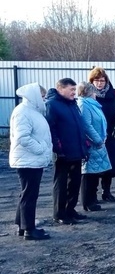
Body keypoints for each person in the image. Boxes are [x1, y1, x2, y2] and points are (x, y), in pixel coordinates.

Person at [10, 83, 53, 240]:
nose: (44, 99)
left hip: (31, 159)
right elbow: (23, 137)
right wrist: (41, 148)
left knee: (27, 193)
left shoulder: (31, 111)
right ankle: (29, 229)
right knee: (29, 194)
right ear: (35, 96)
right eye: (42, 96)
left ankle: (22, 225)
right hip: (28, 159)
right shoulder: (23, 112)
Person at [46, 77, 89, 225]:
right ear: (60, 89)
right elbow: (51, 129)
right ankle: (59, 213)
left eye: (74, 89)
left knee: (75, 182)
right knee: (61, 184)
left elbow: (79, 127)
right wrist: (58, 149)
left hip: (76, 151)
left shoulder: (72, 104)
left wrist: (84, 146)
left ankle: (70, 209)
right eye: (71, 89)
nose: (74, 92)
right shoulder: (52, 105)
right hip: (62, 153)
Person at [90, 67, 115, 202]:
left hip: (112, 133)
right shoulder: (90, 96)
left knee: (110, 164)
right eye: (97, 80)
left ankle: (107, 191)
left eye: (102, 80)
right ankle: (92, 194)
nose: (100, 83)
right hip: (96, 134)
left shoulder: (113, 95)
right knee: (94, 166)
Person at [77, 82, 112, 211]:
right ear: (89, 92)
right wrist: (98, 140)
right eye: (94, 91)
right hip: (92, 144)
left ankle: (92, 199)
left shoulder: (92, 105)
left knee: (94, 173)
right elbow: (87, 125)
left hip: (98, 142)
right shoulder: (84, 105)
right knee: (88, 174)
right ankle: (88, 202)